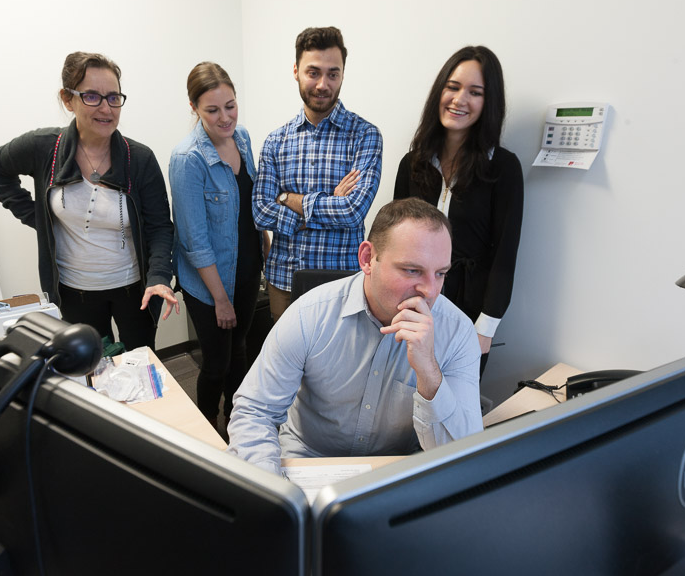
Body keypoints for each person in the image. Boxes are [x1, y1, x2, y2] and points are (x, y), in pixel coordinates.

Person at [227, 198, 484, 475]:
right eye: (412, 270)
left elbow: (464, 455)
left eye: (440, 273)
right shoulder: (309, 315)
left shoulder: (457, 331)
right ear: (367, 259)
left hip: (397, 469)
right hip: (310, 460)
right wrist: (271, 490)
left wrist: (428, 372)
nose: (430, 291)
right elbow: (255, 411)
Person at [0, 52, 178, 350]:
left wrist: (160, 276)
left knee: (141, 364)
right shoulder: (43, 147)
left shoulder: (138, 158)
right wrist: (41, 220)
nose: (105, 108)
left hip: (133, 291)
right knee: (89, 370)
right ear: (67, 99)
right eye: (91, 96)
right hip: (74, 292)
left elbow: (160, 228)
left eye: (113, 98)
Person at [394, 46, 523, 375]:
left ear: (488, 103)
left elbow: (504, 257)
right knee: (400, 407)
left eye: (475, 92)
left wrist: (486, 328)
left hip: (470, 316)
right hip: (412, 308)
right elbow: (391, 241)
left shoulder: (503, 168)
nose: (459, 99)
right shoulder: (413, 163)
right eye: (452, 87)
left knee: (452, 415)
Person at [252, 26, 383, 321]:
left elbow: (352, 211)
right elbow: (261, 212)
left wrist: (286, 198)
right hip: (283, 281)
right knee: (284, 367)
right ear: (296, 71)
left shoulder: (365, 136)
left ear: (342, 76)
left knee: (339, 367)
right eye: (313, 72)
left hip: (341, 285)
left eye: (333, 74)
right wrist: (329, 202)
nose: (323, 84)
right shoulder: (276, 141)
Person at [169, 62, 268, 432]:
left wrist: (265, 242)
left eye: (230, 105)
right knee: (216, 363)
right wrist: (221, 299)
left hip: (245, 268)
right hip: (210, 281)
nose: (225, 117)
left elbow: (251, 200)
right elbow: (194, 242)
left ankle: (237, 425)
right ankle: (208, 427)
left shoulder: (242, 137)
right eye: (212, 109)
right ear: (194, 107)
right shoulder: (187, 159)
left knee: (239, 350)